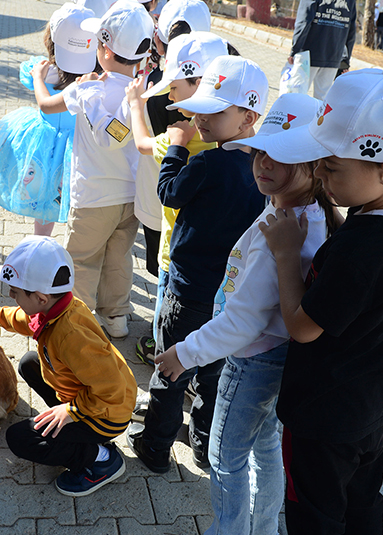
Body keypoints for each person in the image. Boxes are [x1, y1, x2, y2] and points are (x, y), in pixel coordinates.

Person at [257, 68, 383, 534]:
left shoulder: (359, 250)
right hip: (371, 404)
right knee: (362, 505)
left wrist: (284, 254)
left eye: (332, 167)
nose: (318, 172)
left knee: (315, 516)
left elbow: (302, 326)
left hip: (320, 417)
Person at [154, 93, 340, 535]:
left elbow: (244, 321)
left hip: (253, 358)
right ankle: (263, 527)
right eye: (260, 151)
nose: (262, 164)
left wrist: (184, 353)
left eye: (281, 157)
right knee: (263, 445)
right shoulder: (301, 211)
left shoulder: (282, 228)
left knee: (225, 457)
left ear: (314, 166)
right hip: (279, 357)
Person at [126, 55, 268, 473]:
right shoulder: (264, 167)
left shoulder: (205, 162)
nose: (202, 119)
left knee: (170, 370)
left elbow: (168, 192)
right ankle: (205, 446)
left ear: (248, 116)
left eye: (215, 112)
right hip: (229, 298)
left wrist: (176, 148)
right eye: (201, 108)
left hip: (187, 290)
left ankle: (154, 445)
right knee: (212, 374)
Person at [0, 236, 136, 497]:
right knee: (30, 363)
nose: (10, 295)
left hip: (107, 412)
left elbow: (112, 388)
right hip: (93, 396)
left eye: (16, 291)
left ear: (41, 298)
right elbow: (19, 317)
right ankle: (77, 433)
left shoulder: (71, 336)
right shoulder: (58, 307)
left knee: (21, 439)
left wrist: (72, 411)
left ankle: (100, 460)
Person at [34, 0, 154, 339]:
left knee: (82, 261)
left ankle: (77, 326)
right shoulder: (141, 89)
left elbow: (46, 105)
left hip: (93, 199)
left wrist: (38, 77)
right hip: (130, 198)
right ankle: (116, 317)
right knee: (119, 259)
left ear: (102, 48)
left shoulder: (88, 89)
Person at [124, 31, 227, 364]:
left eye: (174, 85)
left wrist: (135, 104)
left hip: (176, 255)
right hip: (217, 262)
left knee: (167, 324)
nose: (169, 92)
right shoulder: (228, 138)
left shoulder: (179, 136)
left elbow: (142, 143)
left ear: (198, 82)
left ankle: (163, 362)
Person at [0, 4, 98, 237]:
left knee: (45, 196)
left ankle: (41, 241)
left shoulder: (43, 69)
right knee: (72, 195)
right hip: (78, 145)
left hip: (43, 145)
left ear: (49, 39)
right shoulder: (94, 75)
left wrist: (39, 77)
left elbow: (29, 77)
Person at [289, 0, 357, 100]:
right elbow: (351, 27)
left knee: (297, 98)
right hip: (333, 56)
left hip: (308, 54)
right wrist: (345, 61)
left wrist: (295, 49)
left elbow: (304, 20)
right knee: (322, 103)